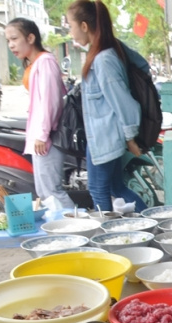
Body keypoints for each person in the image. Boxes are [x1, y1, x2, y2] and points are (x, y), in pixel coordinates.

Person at [66, 0, 149, 213]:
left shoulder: (103, 59)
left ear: (84, 26)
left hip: (105, 138)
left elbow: (122, 101)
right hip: (101, 138)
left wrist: (130, 137)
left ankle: (112, 234)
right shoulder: (106, 52)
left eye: (71, 25)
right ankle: (148, 223)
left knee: (98, 189)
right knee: (114, 187)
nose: (70, 32)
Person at [5, 18, 74, 209]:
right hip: (41, 137)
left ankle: (74, 230)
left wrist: (42, 135)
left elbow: (50, 102)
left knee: (51, 191)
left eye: (14, 39)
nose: (11, 45)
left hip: (47, 138)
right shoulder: (37, 63)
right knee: (46, 191)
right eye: (8, 41)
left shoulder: (45, 62)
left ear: (30, 37)